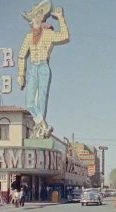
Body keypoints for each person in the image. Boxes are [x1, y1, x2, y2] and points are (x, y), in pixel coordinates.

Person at [18, 0, 70, 139]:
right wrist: (21, 75)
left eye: (40, 14)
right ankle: (44, 125)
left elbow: (65, 36)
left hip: (43, 67)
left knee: (41, 100)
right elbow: (22, 55)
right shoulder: (28, 37)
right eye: (36, 14)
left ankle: (40, 130)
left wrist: (60, 18)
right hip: (32, 69)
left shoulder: (48, 34)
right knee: (29, 102)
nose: (38, 17)